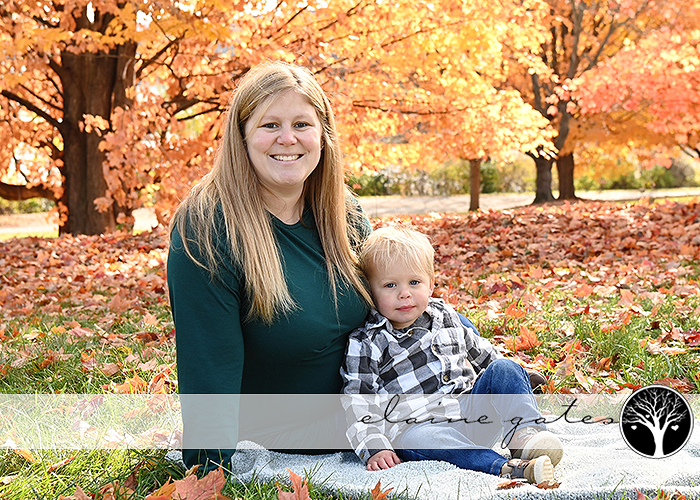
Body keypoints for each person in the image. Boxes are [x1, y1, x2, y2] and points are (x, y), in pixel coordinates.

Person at [167, 60, 374, 470]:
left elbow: (393, 304)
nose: (288, 139)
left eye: (302, 124)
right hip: (293, 433)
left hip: (373, 404)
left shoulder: (341, 211)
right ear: (242, 136)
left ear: (322, 135)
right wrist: (209, 476)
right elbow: (209, 366)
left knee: (491, 376)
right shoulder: (206, 227)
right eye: (270, 125)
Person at [341, 226, 564, 484]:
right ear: (370, 291)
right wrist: (374, 446)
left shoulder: (446, 316)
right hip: (420, 427)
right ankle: (508, 467)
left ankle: (524, 438)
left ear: (431, 284)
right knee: (420, 439)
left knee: (504, 367)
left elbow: (486, 356)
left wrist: (517, 380)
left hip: (472, 412)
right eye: (390, 285)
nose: (404, 293)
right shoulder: (367, 341)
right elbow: (359, 400)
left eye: (414, 282)